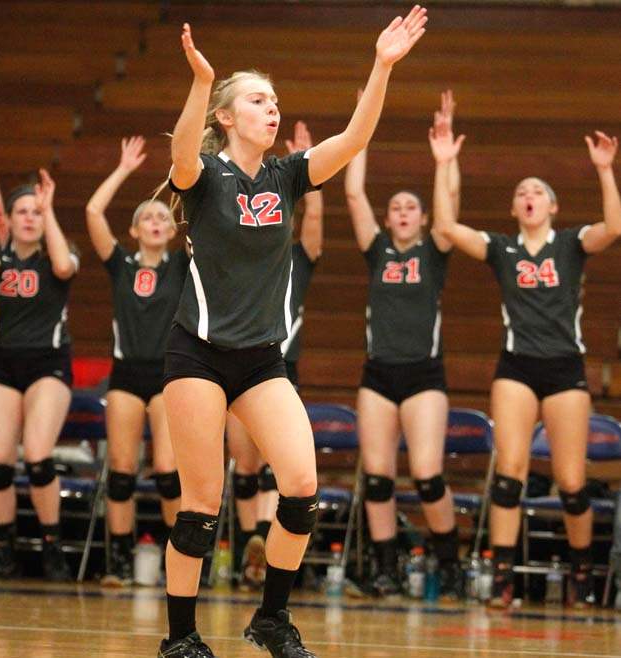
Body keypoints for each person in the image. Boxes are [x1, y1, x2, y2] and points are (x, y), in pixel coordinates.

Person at [160, 10, 427, 658]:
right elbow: (181, 154)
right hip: (196, 352)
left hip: (259, 359)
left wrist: (382, 66)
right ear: (228, 116)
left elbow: (355, 139)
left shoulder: (284, 177)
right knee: (200, 507)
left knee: (302, 488)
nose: (271, 109)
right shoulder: (204, 175)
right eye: (257, 100)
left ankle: (272, 619)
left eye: (275, 101)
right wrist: (203, 82)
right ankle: (182, 639)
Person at [431, 125, 621, 608]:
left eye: (538, 191)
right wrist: (443, 163)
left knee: (572, 481)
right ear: (515, 210)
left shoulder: (571, 243)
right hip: (516, 366)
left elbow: (614, 228)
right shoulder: (502, 248)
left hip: (564, 370)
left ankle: (581, 572)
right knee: (510, 475)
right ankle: (502, 579)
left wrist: (605, 171)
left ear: (552, 207)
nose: (529, 196)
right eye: (522, 193)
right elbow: (447, 229)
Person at [344, 90, 462, 598]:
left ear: (421, 217)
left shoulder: (436, 250)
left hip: (423, 374)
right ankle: (386, 567)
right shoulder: (377, 250)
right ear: (389, 220)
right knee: (377, 477)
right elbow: (352, 194)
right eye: (396, 207)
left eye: (411, 206)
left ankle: (450, 563)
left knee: (428, 475)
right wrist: (362, 132)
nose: (403, 211)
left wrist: (444, 163)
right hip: (378, 374)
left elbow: (449, 209)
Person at [86, 136, 188, 586]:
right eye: (146, 216)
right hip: (126, 375)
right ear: (134, 231)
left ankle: (178, 561)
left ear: (171, 231)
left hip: (169, 376)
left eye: (162, 216)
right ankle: (120, 562)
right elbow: (92, 213)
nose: (154, 220)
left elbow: (200, 220)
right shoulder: (121, 265)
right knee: (123, 472)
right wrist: (124, 168)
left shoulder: (183, 266)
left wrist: (182, 180)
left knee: (168, 473)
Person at [227, 119, 323, 593]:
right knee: (244, 464)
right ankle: (249, 545)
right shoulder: (239, 255)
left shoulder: (298, 259)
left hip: (278, 369)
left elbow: (313, 230)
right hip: (230, 362)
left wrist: (310, 176)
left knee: (274, 466)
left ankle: (263, 541)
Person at [0, 170, 79, 582]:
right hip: (5, 362)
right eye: (23, 212)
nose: (30, 218)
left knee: (37, 454)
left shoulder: (60, 250)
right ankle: (2, 549)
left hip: (48, 363)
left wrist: (50, 208)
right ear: (10, 219)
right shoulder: (0, 255)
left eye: (36, 211)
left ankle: (51, 546)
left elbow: (62, 267)